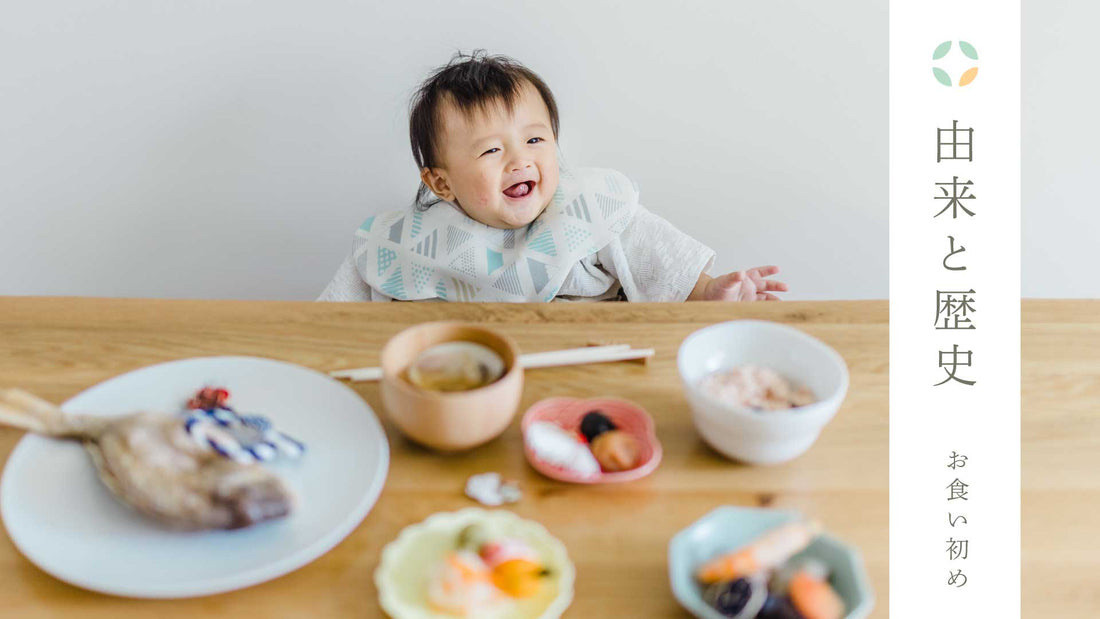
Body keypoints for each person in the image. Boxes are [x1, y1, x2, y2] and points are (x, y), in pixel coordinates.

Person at [319, 51, 787, 303]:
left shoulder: (587, 210)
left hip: (589, 368)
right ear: (441, 184)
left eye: (536, 141)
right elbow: (326, 320)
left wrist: (708, 292)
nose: (520, 161)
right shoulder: (405, 243)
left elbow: (663, 266)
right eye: (491, 150)